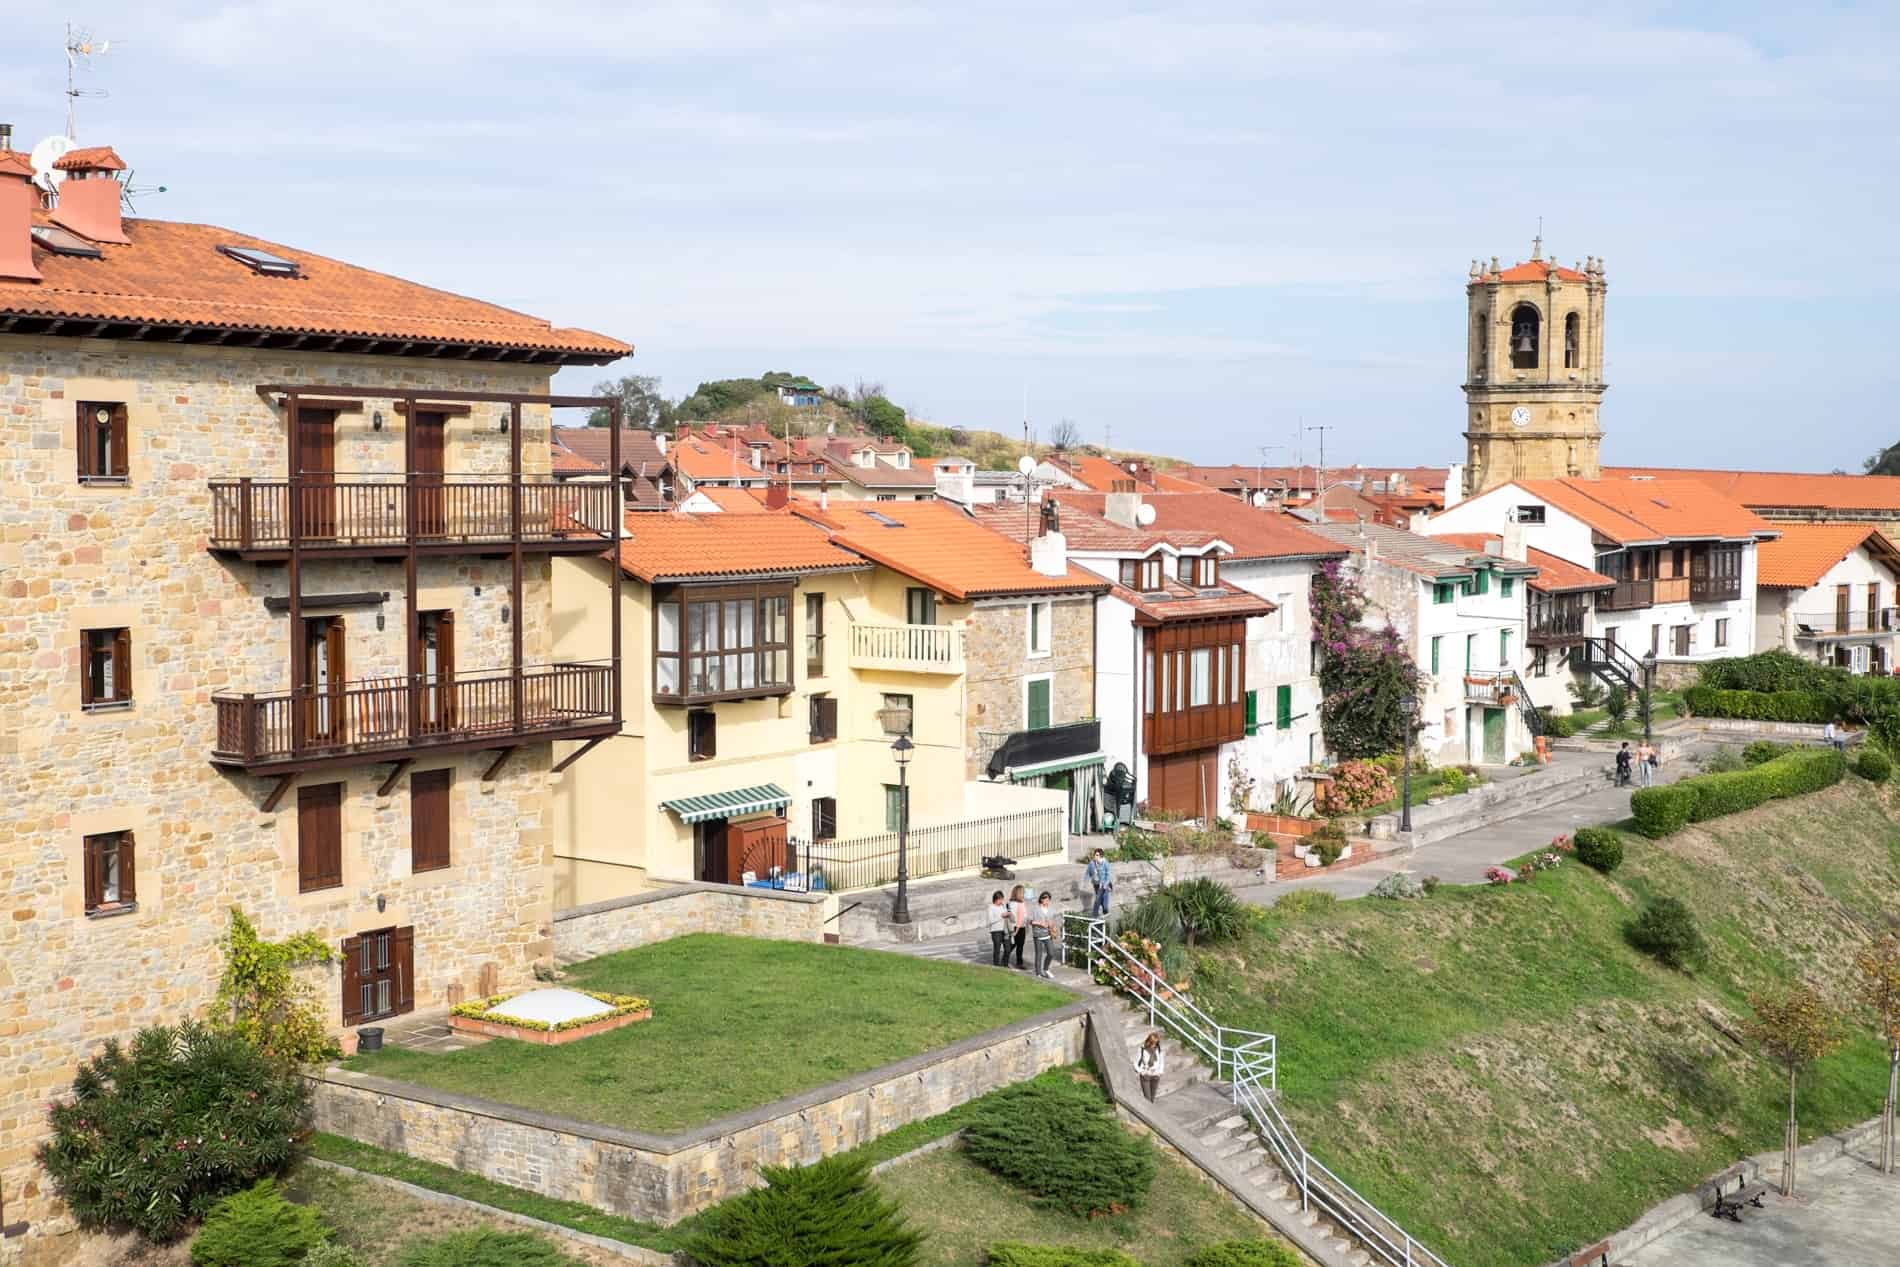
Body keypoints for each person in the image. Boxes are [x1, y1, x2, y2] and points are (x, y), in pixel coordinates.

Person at [1031, 891, 1056, 978]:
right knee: (1039, 954)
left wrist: (1052, 926)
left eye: (1049, 899)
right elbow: (1031, 921)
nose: (1047, 901)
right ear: (1041, 899)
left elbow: (1053, 920)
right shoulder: (1036, 909)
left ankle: (1046, 969)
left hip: (1048, 934)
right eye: (1046, 899)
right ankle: (1038, 973)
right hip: (1038, 934)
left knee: (1051, 953)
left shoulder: (1051, 910)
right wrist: (1040, 923)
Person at [1135, 1031, 1164, 1103]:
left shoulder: (1158, 1049)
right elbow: (1135, 1063)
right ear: (1149, 1042)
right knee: (1147, 1099)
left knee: (1152, 1099)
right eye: (1153, 1043)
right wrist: (1141, 1071)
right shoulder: (1142, 1050)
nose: (1154, 1045)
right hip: (1146, 1076)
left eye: (1156, 1043)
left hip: (1155, 1076)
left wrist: (1159, 1072)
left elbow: (1161, 1062)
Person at [1085, 848, 1114, 917]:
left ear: (1101, 856)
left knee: (1099, 899)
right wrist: (1086, 879)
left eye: (1097, 855)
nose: (1095, 856)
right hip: (1096, 884)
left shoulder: (1105, 863)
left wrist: (1105, 884)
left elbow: (1108, 874)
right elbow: (1088, 872)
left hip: (1104, 884)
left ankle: (1095, 914)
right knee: (1100, 900)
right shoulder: (1092, 863)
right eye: (1095, 855)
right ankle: (1105, 912)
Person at [1007, 884, 1029, 970]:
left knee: (1014, 944)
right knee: (1018, 945)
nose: (1024, 894)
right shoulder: (1020, 903)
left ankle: (1006, 959)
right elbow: (1021, 917)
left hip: (1014, 926)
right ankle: (1018, 963)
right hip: (1019, 926)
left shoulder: (1010, 903)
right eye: (1023, 892)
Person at [986, 890, 1009, 967]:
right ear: (996, 899)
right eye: (1000, 899)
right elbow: (990, 920)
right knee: (997, 949)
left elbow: (1006, 916)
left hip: (1005, 930)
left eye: (1002, 899)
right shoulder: (991, 907)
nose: (1001, 901)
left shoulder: (1003, 906)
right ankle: (996, 965)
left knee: (1008, 948)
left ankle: (1005, 964)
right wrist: (1001, 916)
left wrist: (1008, 914)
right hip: (996, 931)